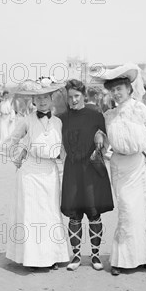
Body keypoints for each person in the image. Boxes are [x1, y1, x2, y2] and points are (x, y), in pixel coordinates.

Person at [93, 63, 146, 276]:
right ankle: (122, 258)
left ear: (129, 90)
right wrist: (99, 138)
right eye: (112, 90)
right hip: (119, 168)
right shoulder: (109, 115)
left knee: (143, 212)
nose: (116, 94)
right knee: (127, 212)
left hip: (139, 166)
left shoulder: (141, 110)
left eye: (119, 90)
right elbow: (105, 139)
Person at [3, 78, 70, 270]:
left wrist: (66, 170)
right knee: (32, 216)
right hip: (30, 172)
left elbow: (63, 149)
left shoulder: (58, 122)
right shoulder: (26, 120)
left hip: (50, 172)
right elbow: (10, 142)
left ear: (51, 98)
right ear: (33, 100)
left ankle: (52, 256)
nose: (42, 101)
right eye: (38, 98)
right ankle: (34, 259)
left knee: (50, 213)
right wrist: (22, 151)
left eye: (46, 97)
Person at [59, 80, 114, 271]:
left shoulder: (95, 115)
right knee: (74, 214)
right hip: (72, 170)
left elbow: (107, 140)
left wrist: (101, 136)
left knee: (93, 212)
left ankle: (95, 256)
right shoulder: (62, 118)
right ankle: (75, 257)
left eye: (77, 96)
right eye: (70, 97)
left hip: (91, 169)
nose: (73, 100)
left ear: (83, 96)